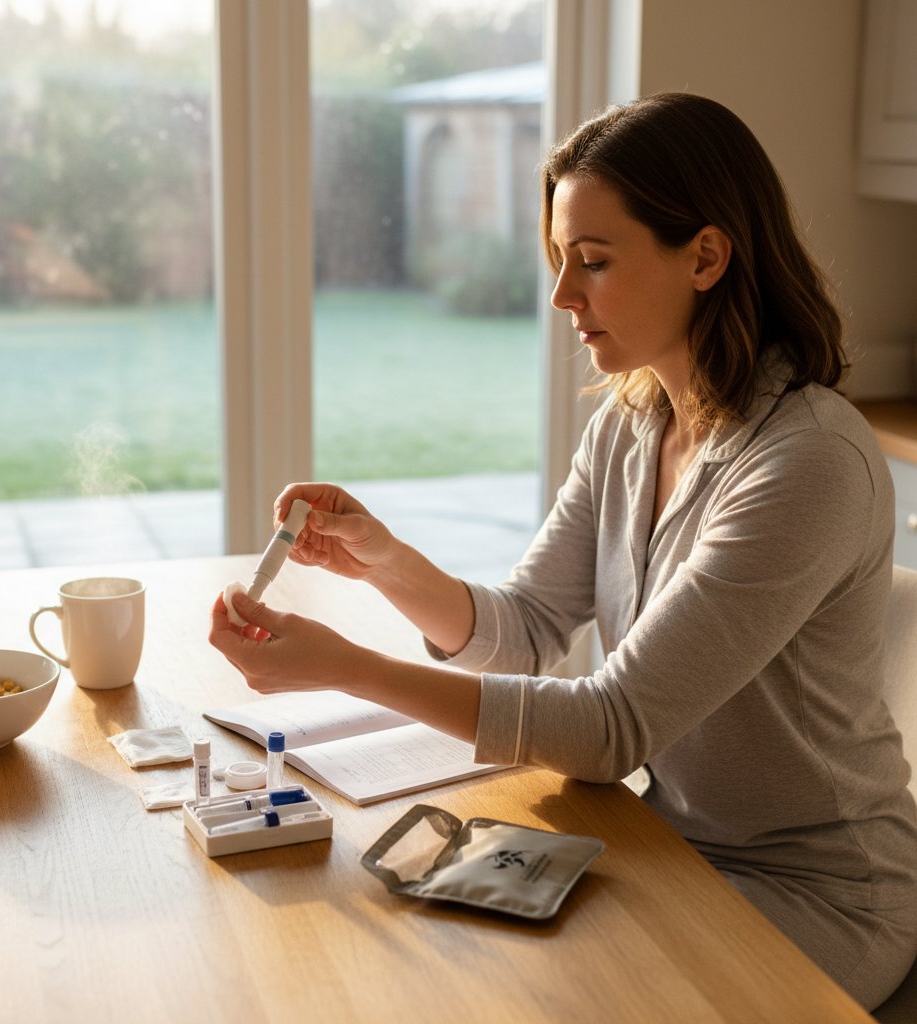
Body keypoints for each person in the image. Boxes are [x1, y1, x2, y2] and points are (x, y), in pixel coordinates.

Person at [208, 92, 917, 1009]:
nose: (561, 296)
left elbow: (607, 729)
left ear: (705, 255)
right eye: (558, 260)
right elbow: (529, 628)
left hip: (820, 895)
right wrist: (382, 558)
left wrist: (346, 667)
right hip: (667, 846)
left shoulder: (808, 461)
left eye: (593, 261)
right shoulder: (633, 424)